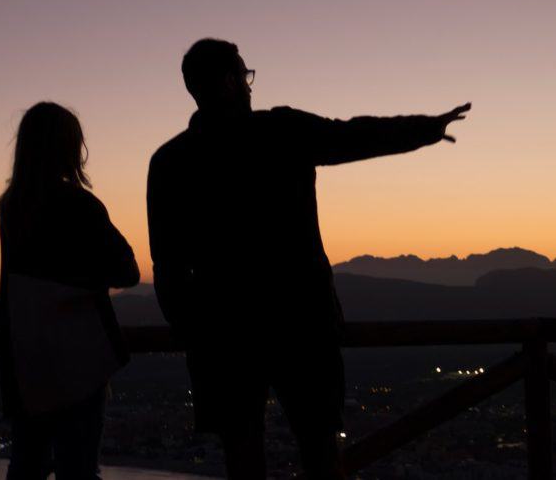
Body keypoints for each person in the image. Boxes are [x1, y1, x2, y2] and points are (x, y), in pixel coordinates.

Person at [146, 39, 470, 479]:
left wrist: (194, 330)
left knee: (242, 456)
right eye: (244, 75)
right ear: (227, 82)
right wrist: (425, 129)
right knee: (319, 448)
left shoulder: (169, 162)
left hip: (223, 334)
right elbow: (354, 136)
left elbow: (167, 267)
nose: (248, 84)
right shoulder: (281, 131)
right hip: (302, 321)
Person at [0, 101, 140, 480]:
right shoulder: (81, 206)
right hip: (80, 360)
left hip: (28, 360)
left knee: (27, 463)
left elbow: (9, 292)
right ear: (68, 148)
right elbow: (127, 270)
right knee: (78, 467)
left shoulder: (11, 209)